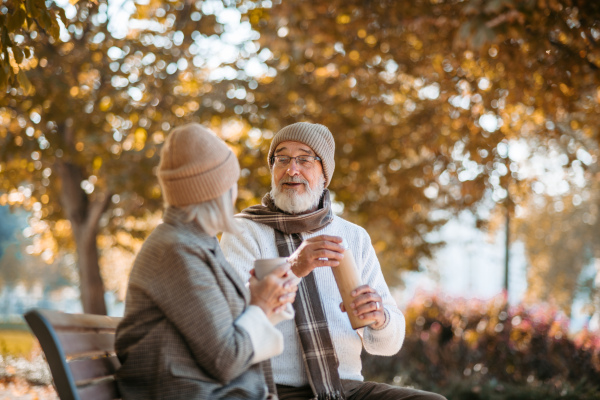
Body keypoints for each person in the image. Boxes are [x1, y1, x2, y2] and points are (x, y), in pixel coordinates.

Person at [220, 122, 446, 400]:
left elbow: (388, 344)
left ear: (325, 175)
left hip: (346, 388)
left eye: (304, 159)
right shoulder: (244, 230)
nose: (292, 169)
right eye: (282, 159)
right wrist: (294, 267)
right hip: (276, 389)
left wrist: (379, 319)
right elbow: (228, 316)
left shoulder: (353, 236)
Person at [115, 123, 297, 400]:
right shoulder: (177, 250)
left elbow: (216, 334)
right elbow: (226, 359)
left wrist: (267, 301)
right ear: (217, 191)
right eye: (232, 182)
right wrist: (260, 304)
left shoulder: (195, 243)